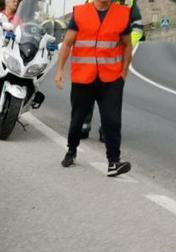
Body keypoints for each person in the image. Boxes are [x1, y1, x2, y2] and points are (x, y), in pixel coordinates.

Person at [54, 0, 133, 177]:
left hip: (111, 78)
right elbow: (67, 43)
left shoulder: (121, 14)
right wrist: (60, 70)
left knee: (112, 121)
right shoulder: (80, 13)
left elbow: (128, 45)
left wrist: (124, 72)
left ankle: (114, 162)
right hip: (83, 77)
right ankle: (71, 150)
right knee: (77, 120)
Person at [79, 0, 143, 141]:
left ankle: (106, 130)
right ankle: (83, 126)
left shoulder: (128, 2)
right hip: (93, 56)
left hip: (115, 58)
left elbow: (137, 28)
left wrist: (125, 44)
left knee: (110, 97)